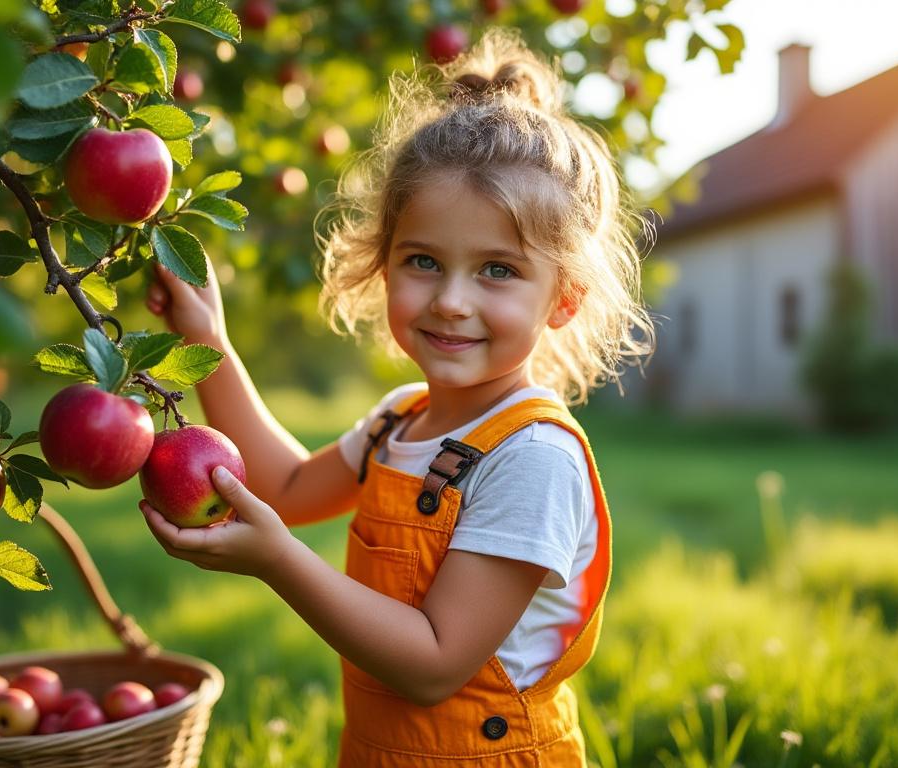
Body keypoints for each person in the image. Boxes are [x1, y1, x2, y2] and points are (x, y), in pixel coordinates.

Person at [141, 29, 654, 767]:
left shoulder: (532, 458)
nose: (450, 300)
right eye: (423, 261)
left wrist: (279, 562)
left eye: (498, 271)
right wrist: (209, 339)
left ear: (564, 299)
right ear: (383, 266)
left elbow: (434, 664)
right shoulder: (399, 420)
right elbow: (284, 488)